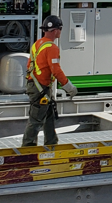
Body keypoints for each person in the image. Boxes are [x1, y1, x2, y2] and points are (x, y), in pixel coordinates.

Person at [22, 15, 77, 147]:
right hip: (40, 88)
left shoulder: (37, 44)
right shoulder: (52, 48)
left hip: (36, 85)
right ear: (56, 31)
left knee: (48, 115)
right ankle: (27, 148)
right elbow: (56, 70)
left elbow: (30, 65)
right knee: (36, 120)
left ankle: (52, 143)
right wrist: (69, 87)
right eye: (60, 29)